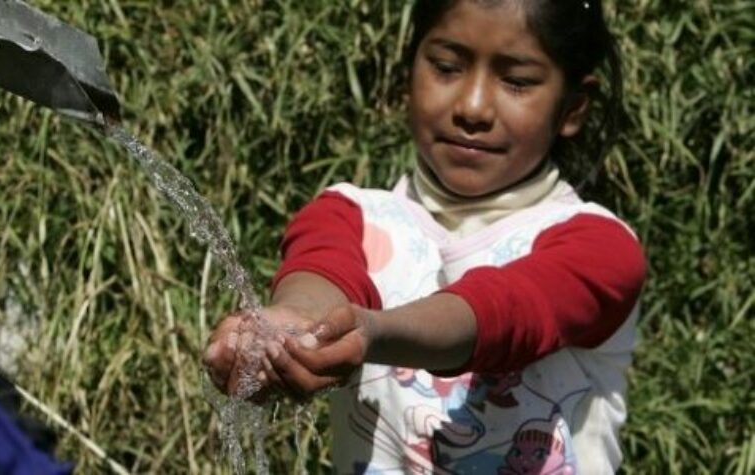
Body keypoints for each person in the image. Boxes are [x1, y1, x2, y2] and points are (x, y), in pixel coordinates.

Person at [205, 0, 646, 473]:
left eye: (517, 81)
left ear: (574, 107)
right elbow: (319, 279)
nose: (473, 107)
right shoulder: (350, 215)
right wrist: (289, 329)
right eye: (447, 67)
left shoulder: (600, 247)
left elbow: (499, 312)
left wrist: (372, 331)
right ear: (408, 71)